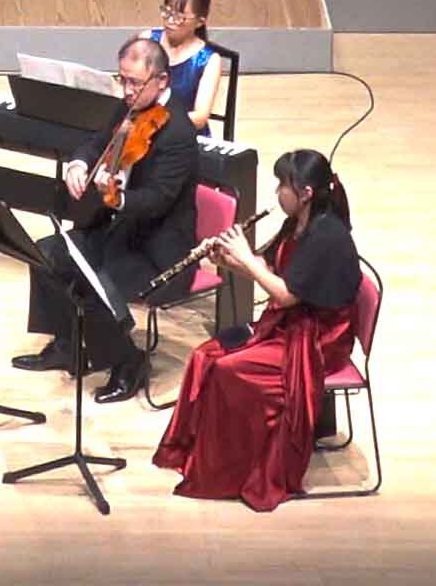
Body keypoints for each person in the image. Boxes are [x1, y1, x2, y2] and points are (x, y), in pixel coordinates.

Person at [151, 148, 364, 511]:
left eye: (283, 185)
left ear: (305, 193)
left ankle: (234, 470)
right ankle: (198, 456)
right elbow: (269, 265)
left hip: (319, 340)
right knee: (205, 356)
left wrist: (246, 259)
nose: (277, 192)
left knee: (227, 370)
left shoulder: (326, 235)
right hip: (292, 324)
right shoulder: (297, 222)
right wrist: (225, 259)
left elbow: (286, 293)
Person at [11, 34, 195, 404]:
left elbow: (158, 200)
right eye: (122, 79)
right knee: (45, 254)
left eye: (135, 83)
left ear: (162, 80)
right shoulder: (127, 109)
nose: (126, 91)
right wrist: (79, 164)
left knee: (90, 281)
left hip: (155, 250)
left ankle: (128, 363)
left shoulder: (178, 133)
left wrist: (118, 198)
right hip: (116, 230)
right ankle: (68, 347)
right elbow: (95, 144)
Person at [150, 0, 227, 130]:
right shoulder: (147, 41)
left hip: (184, 134)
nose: (170, 20)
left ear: (200, 22)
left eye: (179, 17)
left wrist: (153, 121)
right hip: (143, 131)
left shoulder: (209, 60)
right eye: (167, 11)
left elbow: (200, 117)